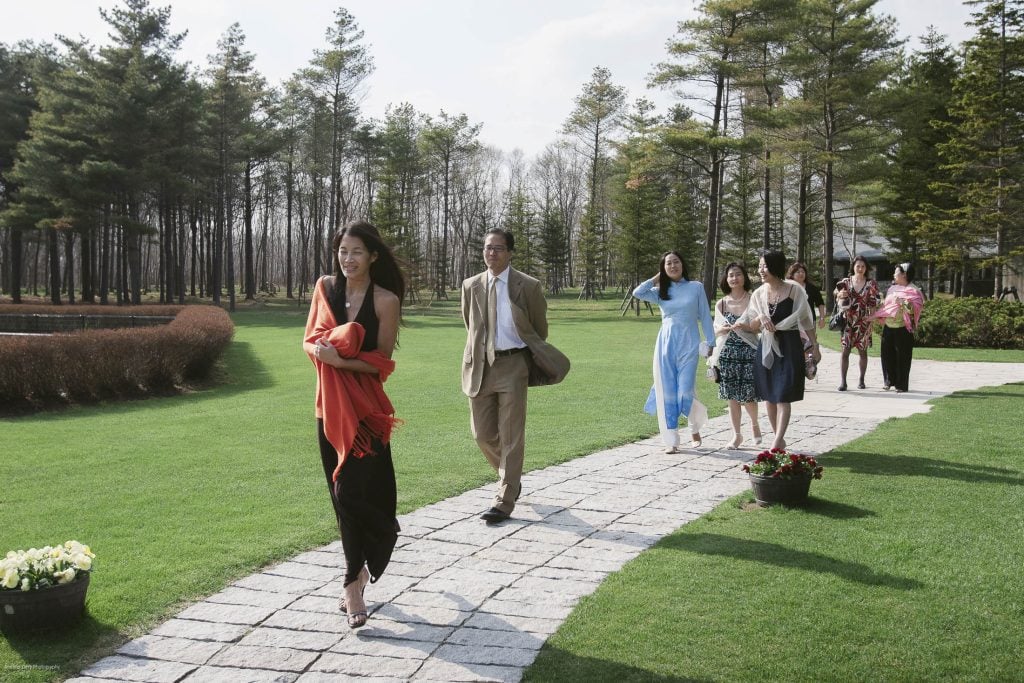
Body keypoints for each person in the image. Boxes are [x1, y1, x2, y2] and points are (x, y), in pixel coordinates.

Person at [303, 220, 404, 630]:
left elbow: (381, 364)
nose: (348, 259)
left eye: (357, 252)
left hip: (367, 414)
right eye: (343, 251)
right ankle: (354, 582)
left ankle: (380, 538)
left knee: (351, 493)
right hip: (328, 410)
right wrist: (324, 349)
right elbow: (310, 339)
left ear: (373, 256)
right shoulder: (325, 288)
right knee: (340, 496)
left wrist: (340, 358)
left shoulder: (385, 300)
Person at [461, 228, 568, 525]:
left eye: (497, 248)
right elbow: (469, 325)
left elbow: (539, 328)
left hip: (514, 365)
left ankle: (504, 500)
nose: (490, 253)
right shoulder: (470, 285)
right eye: (487, 248)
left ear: (509, 252)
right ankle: (511, 479)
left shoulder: (528, 286)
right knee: (482, 435)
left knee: (511, 435)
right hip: (480, 366)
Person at [735, 250, 820, 451]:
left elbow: (806, 319)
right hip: (766, 346)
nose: (761, 270)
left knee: (783, 394)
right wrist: (762, 318)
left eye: (764, 266)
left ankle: (777, 439)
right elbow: (753, 323)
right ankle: (778, 439)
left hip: (789, 344)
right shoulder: (758, 294)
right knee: (770, 395)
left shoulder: (794, 290)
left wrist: (814, 346)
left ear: (775, 266)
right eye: (759, 266)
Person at [632, 251, 715, 454]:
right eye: (668, 264)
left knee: (685, 390)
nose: (672, 266)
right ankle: (672, 440)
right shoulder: (660, 291)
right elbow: (637, 293)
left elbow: (704, 315)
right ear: (663, 268)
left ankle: (694, 427)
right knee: (667, 391)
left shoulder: (695, 287)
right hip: (666, 345)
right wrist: (656, 278)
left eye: (676, 262)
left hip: (689, 344)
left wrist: (710, 342)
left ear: (682, 264)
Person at [709, 262, 762, 449]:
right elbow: (714, 329)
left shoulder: (753, 299)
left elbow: (759, 325)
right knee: (731, 396)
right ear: (726, 279)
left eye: (737, 274)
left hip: (749, 351)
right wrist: (721, 329)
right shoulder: (721, 303)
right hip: (727, 353)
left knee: (749, 395)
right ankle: (737, 435)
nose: (734, 278)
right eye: (730, 275)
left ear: (744, 277)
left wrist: (745, 327)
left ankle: (755, 425)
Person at [874, 262, 925, 393]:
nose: (893, 275)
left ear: (904, 275)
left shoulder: (914, 290)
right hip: (889, 326)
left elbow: (915, 310)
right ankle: (888, 381)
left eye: (896, 273)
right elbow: (886, 305)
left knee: (902, 357)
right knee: (886, 354)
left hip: (904, 328)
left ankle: (901, 385)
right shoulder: (892, 288)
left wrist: (903, 302)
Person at [833, 254, 879, 391]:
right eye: (857, 266)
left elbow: (874, 303)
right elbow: (836, 294)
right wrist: (839, 295)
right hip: (848, 321)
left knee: (862, 352)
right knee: (845, 351)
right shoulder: (845, 282)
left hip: (863, 322)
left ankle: (861, 379)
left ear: (866, 268)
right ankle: (843, 382)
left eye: (863, 266)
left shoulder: (871, 284)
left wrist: (872, 318)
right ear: (853, 267)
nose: (860, 268)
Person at [786, 262, 826, 329]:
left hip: (809, 321)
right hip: (791, 322)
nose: (801, 273)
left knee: (810, 339)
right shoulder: (787, 288)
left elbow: (820, 303)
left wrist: (822, 318)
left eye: (803, 272)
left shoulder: (812, 288)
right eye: (798, 272)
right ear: (792, 275)